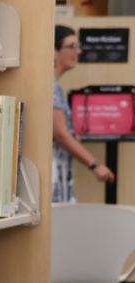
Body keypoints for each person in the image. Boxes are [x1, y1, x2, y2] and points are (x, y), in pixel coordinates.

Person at [52, 25, 115, 203]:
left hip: (62, 171)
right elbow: (60, 134)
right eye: (72, 46)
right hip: (54, 173)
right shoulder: (51, 86)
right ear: (54, 51)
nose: (78, 51)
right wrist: (95, 165)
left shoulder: (55, 86)